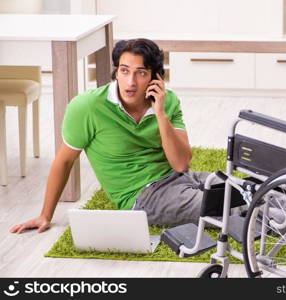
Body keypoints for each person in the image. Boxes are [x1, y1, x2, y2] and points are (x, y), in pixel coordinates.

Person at [10, 38, 217, 234]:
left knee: (242, 189)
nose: (131, 82)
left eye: (141, 73)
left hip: (179, 178)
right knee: (228, 207)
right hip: (144, 197)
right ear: (116, 72)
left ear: (155, 77)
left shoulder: (168, 100)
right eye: (124, 71)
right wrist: (45, 215)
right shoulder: (87, 107)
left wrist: (160, 114)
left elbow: (181, 164)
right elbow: (64, 161)